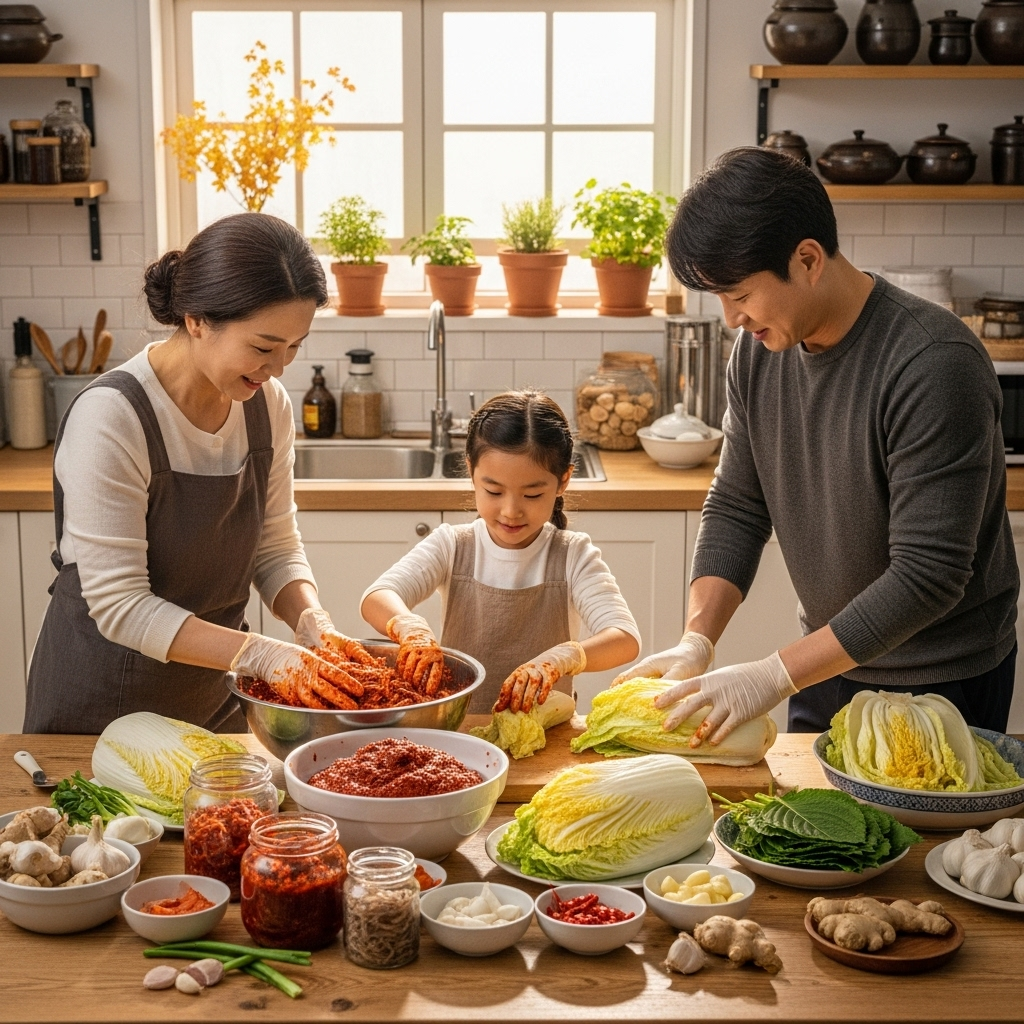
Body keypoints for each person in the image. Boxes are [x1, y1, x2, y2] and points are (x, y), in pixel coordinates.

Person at [615, 147, 1018, 744]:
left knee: (924, 843)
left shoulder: (933, 364)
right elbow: (736, 506)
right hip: (826, 665)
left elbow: (928, 575)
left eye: (741, 296)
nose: (731, 319)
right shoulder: (758, 353)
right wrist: (696, 640)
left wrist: (773, 675)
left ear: (807, 260)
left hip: (941, 684)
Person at [24, 213, 375, 734]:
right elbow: (120, 606)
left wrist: (310, 621)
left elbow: (274, 546)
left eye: (294, 347)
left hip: (214, 699)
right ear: (196, 320)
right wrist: (264, 656)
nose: (279, 368)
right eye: (263, 347)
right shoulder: (114, 417)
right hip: (102, 711)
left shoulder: (266, 404)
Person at [361, 390, 641, 714]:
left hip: (545, 738)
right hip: (460, 730)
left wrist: (564, 657)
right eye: (493, 491)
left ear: (563, 481)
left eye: (533, 495)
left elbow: (624, 638)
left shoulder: (573, 555)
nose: (511, 511)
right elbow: (377, 597)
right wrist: (408, 626)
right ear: (471, 473)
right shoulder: (452, 545)